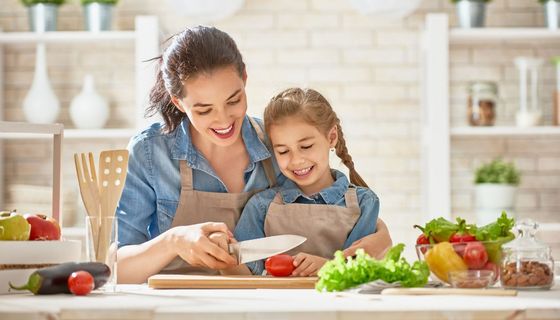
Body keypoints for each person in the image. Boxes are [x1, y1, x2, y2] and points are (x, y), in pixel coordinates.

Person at [116, 26, 392, 284]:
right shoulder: (150, 152)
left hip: (256, 301)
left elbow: (326, 208)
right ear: (179, 102)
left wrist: (380, 236)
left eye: (233, 100)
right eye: (204, 110)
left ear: (245, 78)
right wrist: (173, 241)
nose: (224, 119)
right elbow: (116, 269)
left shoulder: (278, 144)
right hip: (176, 306)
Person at [219, 88, 386, 276]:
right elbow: (246, 278)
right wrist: (225, 260)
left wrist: (327, 267)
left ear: (331, 137)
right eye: (283, 151)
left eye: (306, 146)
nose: (296, 160)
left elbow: (361, 271)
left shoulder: (364, 203)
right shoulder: (261, 206)